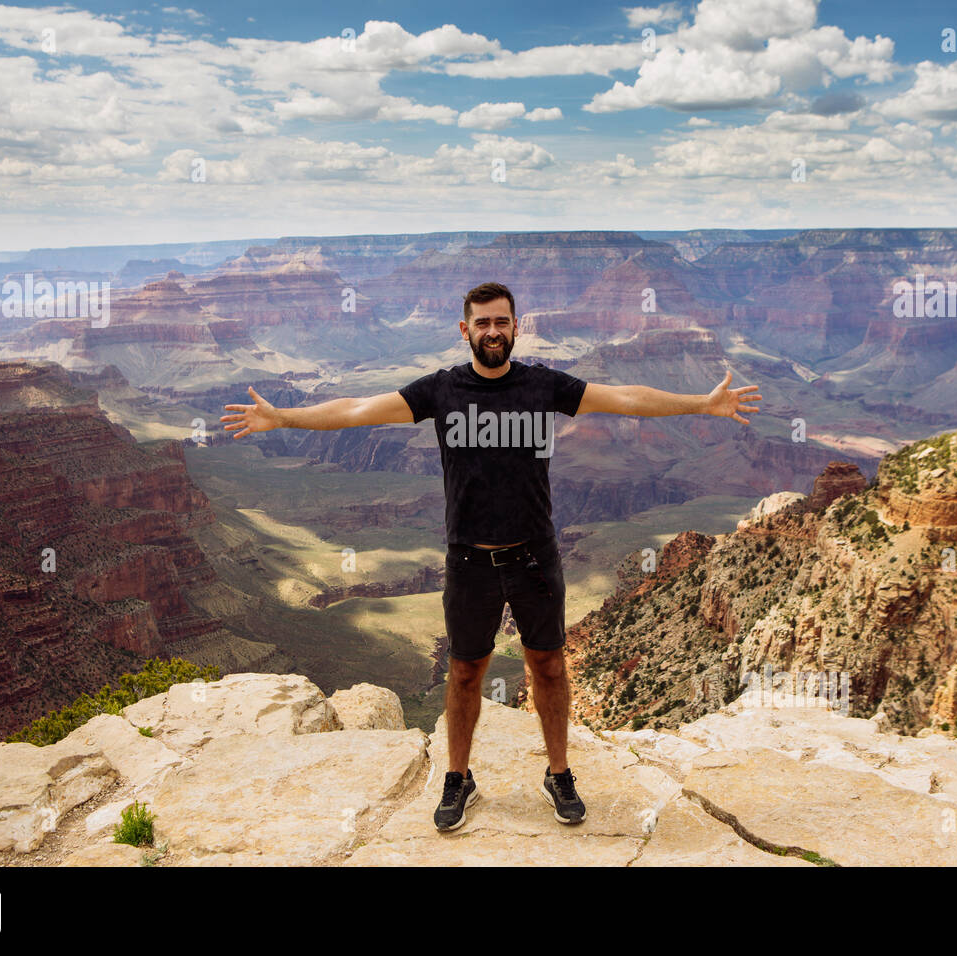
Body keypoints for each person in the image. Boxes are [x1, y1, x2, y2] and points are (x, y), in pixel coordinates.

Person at [221, 281, 762, 832]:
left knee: (548, 665)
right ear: (465, 331)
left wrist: (704, 403)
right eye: (482, 323)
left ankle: (559, 773)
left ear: (516, 327)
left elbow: (625, 397)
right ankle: (458, 778)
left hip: (534, 556)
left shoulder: (543, 386)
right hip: (468, 560)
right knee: (464, 671)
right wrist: (283, 417)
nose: (492, 332)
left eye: (501, 322)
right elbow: (360, 409)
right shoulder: (440, 391)